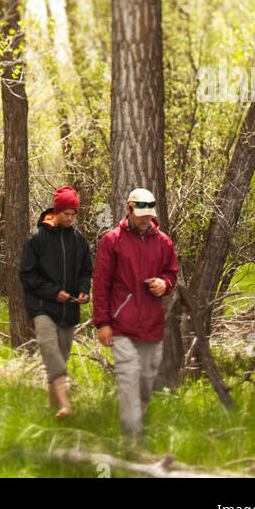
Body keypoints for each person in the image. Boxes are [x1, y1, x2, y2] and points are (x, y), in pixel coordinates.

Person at [92, 187, 179, 439]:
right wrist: (102, 323)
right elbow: (100, 284)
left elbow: (171, 273)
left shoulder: (164, 242)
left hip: (152, 325)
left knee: (146, 378)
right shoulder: (111, 241)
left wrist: (165, 284)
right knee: (129, 375)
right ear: (128, 210)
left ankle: (137, 423)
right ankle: (132, 437)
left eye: (150, 215)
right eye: (141, 215)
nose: (146, 220)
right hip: (121, 325)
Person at [20, 186, 93, 418]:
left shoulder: (79, 240)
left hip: (68, 310)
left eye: (73, 214)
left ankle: (52, 410)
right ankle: (66, 406)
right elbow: (27, 274)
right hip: (42, 307)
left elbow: (86, 270)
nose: (70, 219)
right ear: (57, 211)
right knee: (51, 353)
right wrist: (53, 292)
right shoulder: (38, 238)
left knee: (61, 357)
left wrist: (83, 291)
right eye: (66, 214)